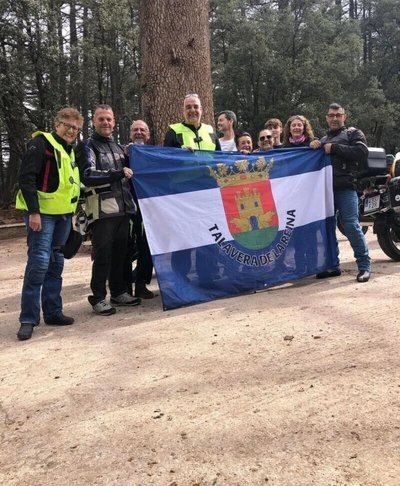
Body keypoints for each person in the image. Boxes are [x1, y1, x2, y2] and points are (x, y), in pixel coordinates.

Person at [15, 107, 83, 341]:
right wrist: (33, 212)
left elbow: (69, 184)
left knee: (56, 263)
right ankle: (28, 319)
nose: (71, 130)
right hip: (42, 215)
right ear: (57, 124)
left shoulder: (68, 150)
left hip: (64, 215)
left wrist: (73, 212)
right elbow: (26, 178)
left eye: (76, 128)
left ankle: (53, 312)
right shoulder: (41, 144)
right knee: (39, 262)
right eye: (68, 125)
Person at [76, 104, 140, 316]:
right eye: (101, 119)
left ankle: (118, 292)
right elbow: (87, 175)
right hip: (103, 210)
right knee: (103, 254)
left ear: (114, 122)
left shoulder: (119, 147)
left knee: (121, 253)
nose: (105, 123)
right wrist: (117, 173)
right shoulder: (88, 145)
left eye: (109, 119)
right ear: (94, 121)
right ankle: (97, 297)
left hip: (123, 209)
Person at [311, 103, 371, 282]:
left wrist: (334, 148)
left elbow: (362, 152)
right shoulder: (323, 139)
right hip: (326, 191)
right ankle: (332, 266)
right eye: (331, 115)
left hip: (346, 188)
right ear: (326, 118)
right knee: (327, 229)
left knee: (351, 225)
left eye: (338, 115)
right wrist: (313, 145)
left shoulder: (354, 133)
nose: (335, 118)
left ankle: (364, 266)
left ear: (344, 116)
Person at [164, 93, 220, 283]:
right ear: (183, 110)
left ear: (201, 109)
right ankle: (181, 278)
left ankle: (208, 275)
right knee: (184, 235)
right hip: (183, 193)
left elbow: (220, 159)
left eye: (195, 107)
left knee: (210, 232)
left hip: (208, 192)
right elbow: (165, 162)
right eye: (188, 107)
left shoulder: (211, 130)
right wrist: (178, 155)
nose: (192, 110)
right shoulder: (173, 131)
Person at [126, 119, 155, 299]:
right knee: (126, 247)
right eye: (135, 130)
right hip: (125, 206)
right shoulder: (123, 152)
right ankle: (124, 287)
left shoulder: (154, 153)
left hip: (149, 207)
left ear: (148, 134)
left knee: (147, 245)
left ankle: (141, 284)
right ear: (130, 133)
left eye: (142, 130)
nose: (138, 132)